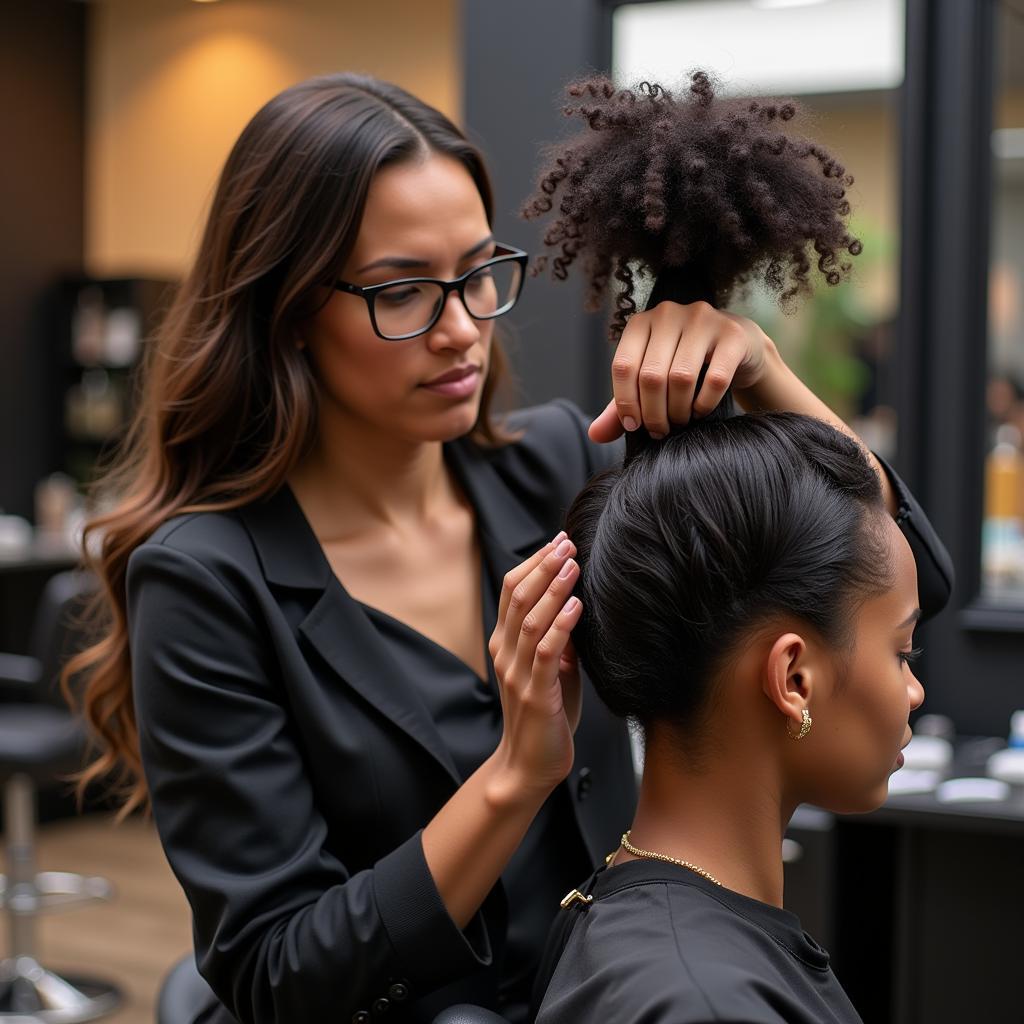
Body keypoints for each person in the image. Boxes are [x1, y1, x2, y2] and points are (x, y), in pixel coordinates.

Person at [65, 72, 950, 1024]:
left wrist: (762, 370)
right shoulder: (206, 581)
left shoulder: (563, 465)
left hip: (615, 989)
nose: (460, 332)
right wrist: (514, 776)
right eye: (403, 291)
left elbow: (899, 577)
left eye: (479, 273)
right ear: (286, 307)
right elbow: (278, 976)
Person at [534, 410, 929, 1024]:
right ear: (794, 679)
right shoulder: (705, 1003)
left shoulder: (635, 917)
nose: (915, 692)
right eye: (902, 653)